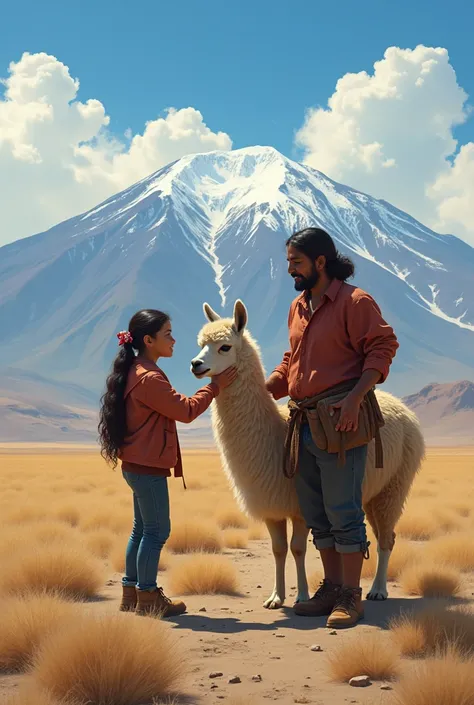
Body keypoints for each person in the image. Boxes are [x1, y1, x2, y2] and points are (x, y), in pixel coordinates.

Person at [265, 227, 399, 628]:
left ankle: (351, 596)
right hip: (302, 420)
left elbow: (383, 346)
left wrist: (356, 397)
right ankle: (331, 588)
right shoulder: (298, 307)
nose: (290, 269)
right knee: (315, 512)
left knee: (344, 510)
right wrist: (262, 387)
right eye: (289, 262)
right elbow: (291, 358)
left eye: (297, 262)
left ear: (320, 262)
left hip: (340, 420)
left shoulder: (355, 303)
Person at [98, 309, 237, 617]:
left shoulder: (137, 370)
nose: (174, 340)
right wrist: (215, 386)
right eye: (168, 334)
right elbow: (185, 411)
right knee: (157, 531)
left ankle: (131, 594)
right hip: (146, 469)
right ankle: (148, 598)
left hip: (137, 465)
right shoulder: (148, 378)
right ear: (149, 340)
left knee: (141, 529)